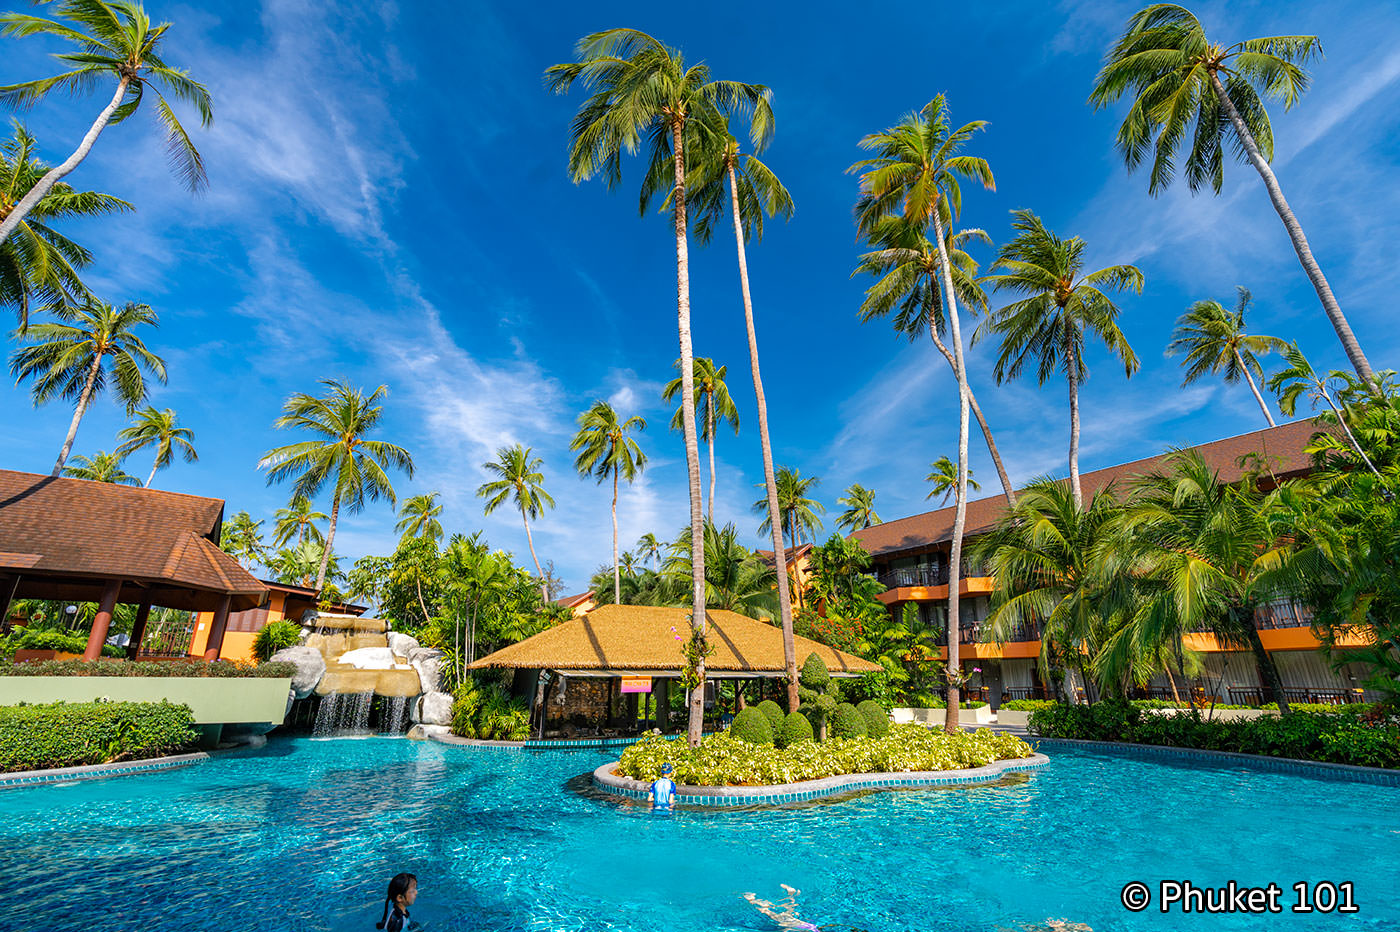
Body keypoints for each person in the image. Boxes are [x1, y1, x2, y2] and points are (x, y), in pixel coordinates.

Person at [744, 884, 820, 931]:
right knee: (769, 912)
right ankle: (752, 899)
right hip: (789, 923)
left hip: (799, 922)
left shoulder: (813, 927)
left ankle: (791, 894)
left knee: (789, 909)